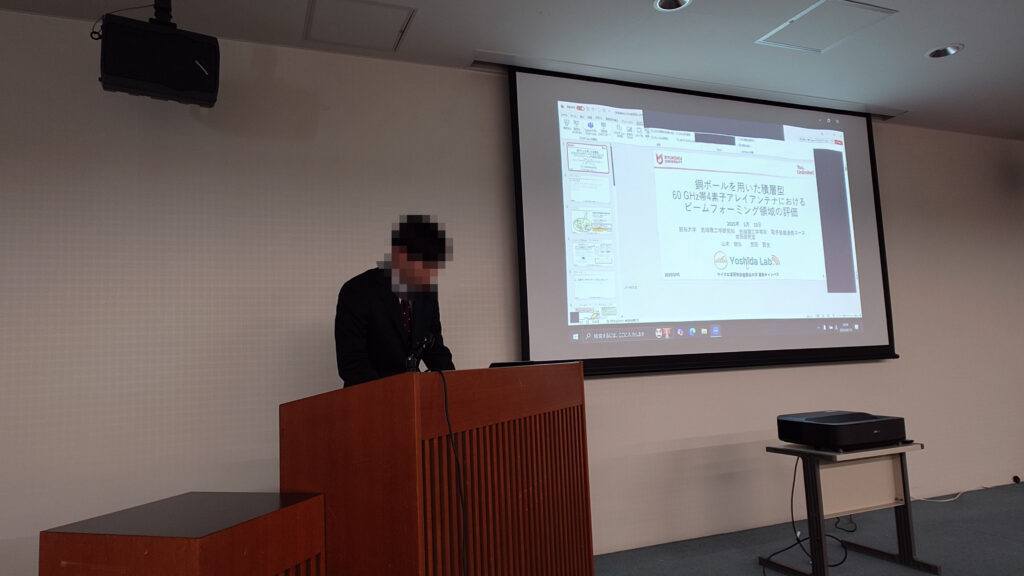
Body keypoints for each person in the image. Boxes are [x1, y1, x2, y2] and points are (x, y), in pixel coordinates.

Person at [335, 215, 455, 386]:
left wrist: (453, 386)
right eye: (425, 262)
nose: (430, 273)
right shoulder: (357, 291)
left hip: (413, 394)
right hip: (371, 396)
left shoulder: (427, 294)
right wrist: (390, 395)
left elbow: (435, 349)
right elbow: (352, 364)